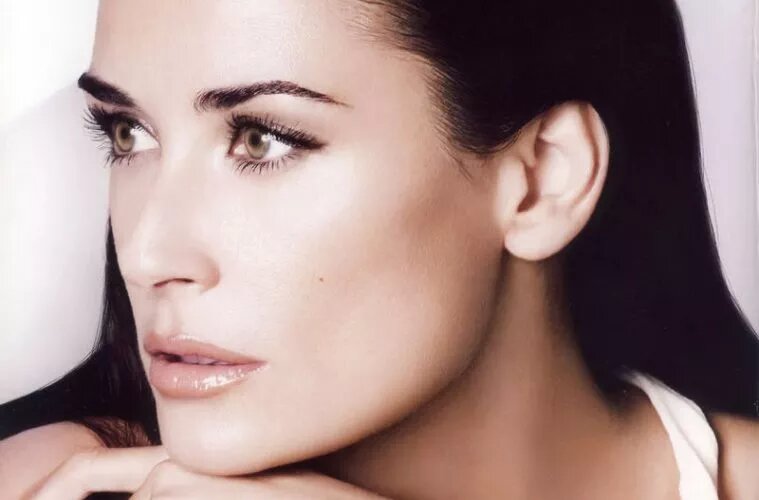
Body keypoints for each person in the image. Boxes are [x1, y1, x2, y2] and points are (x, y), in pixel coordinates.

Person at [1, 0, 758, 498]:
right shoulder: (56, 481)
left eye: (263, 139)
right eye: (127, 133)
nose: (144, 254)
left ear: (541, 182)